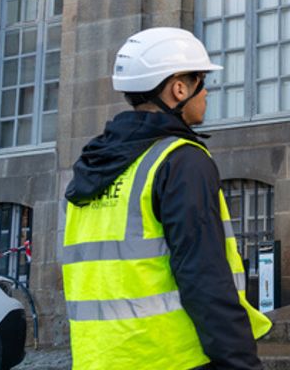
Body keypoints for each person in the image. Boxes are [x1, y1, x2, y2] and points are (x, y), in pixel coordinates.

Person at [62, 28, 272, 370]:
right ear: (179, 88)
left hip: (100, 360)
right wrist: (240, 362)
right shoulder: (181, 160)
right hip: (174, 358)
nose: (206, 93)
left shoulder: (91, 167)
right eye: (201, 81)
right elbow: (204, 275)